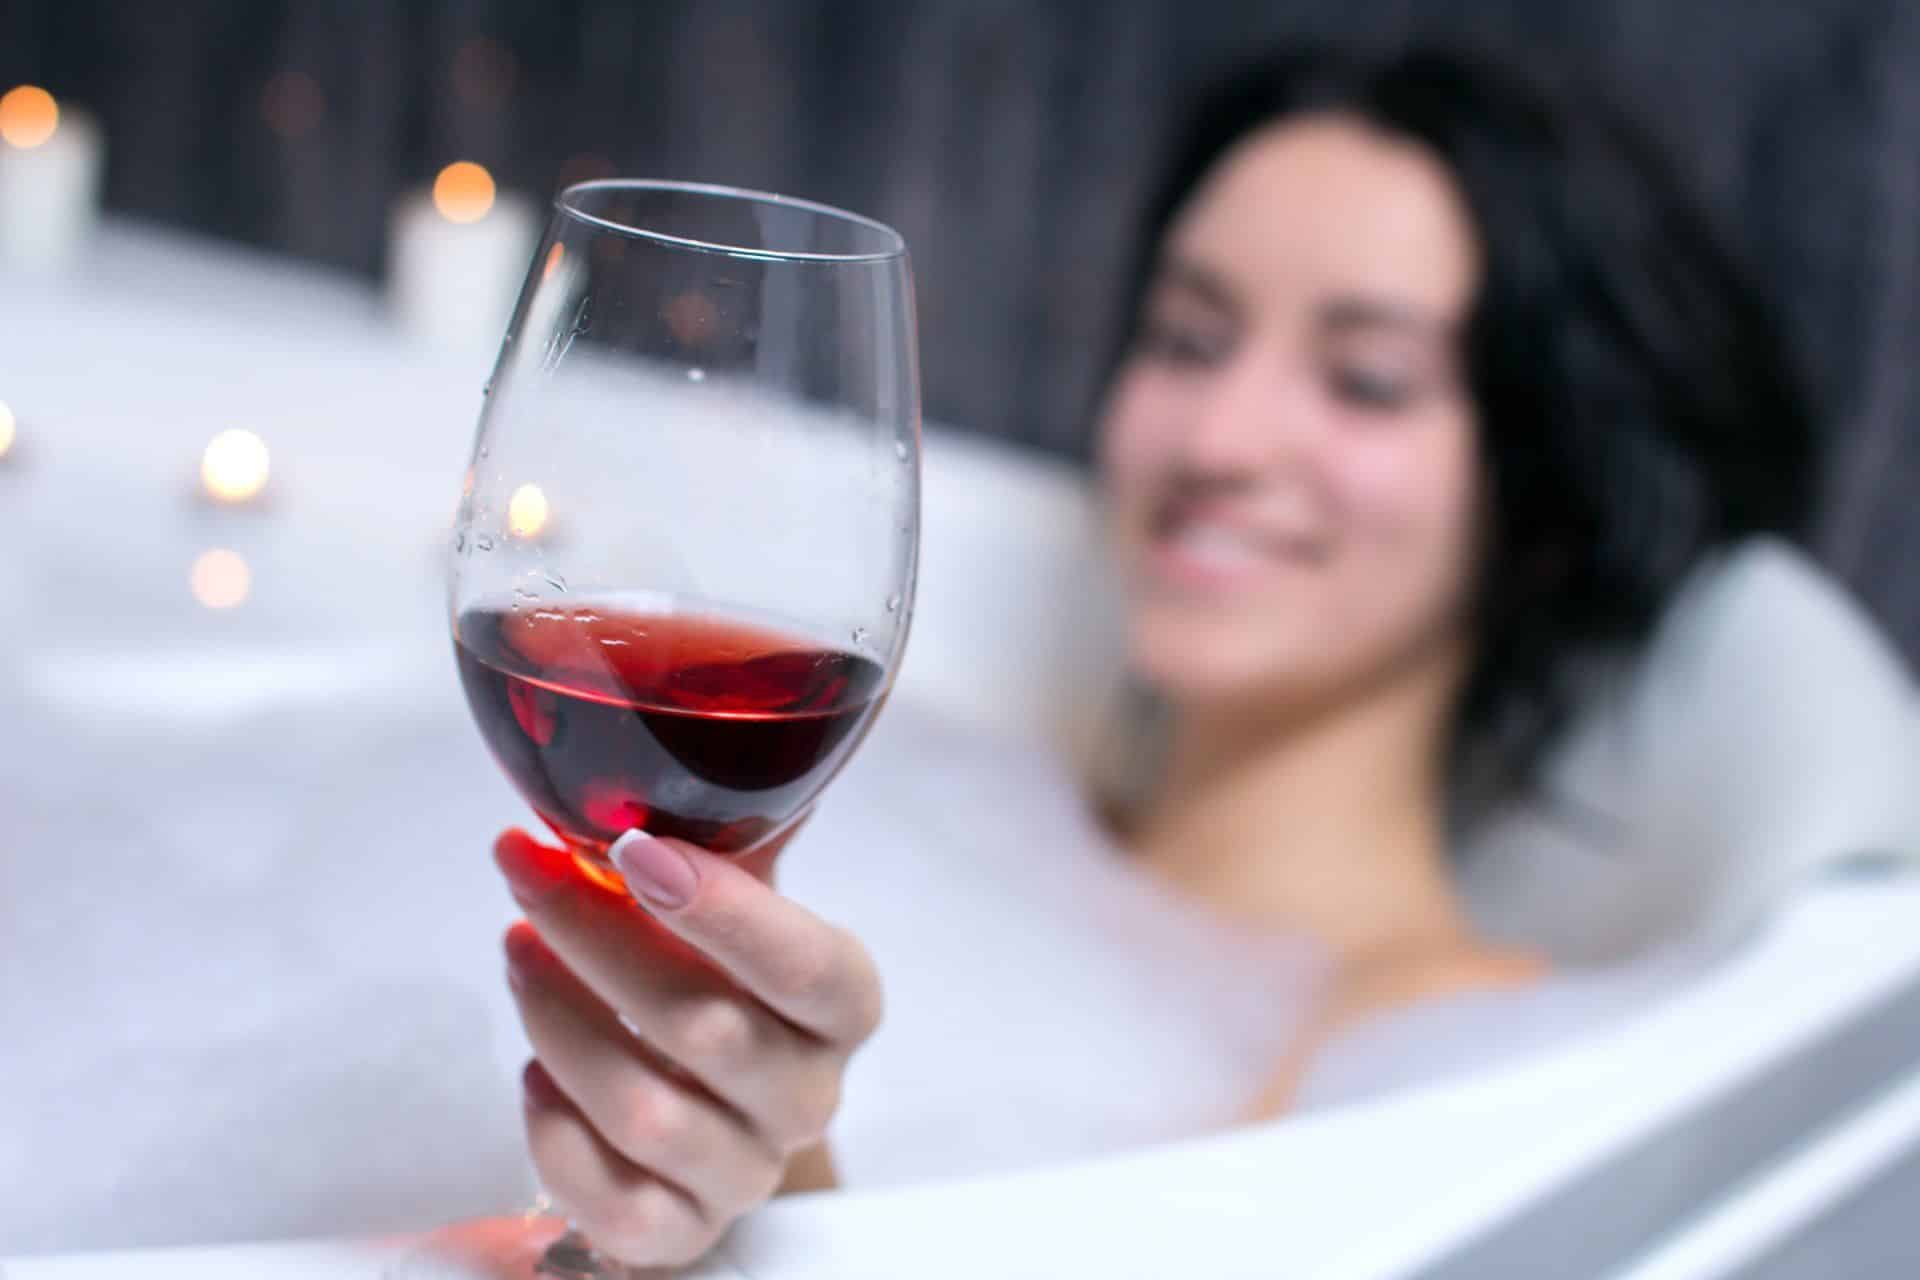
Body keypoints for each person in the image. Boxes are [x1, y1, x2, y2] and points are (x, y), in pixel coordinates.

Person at [491, 42, 1813, 1267]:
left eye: (1366, 379)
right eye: (1187, 340)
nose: (1220, 441)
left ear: (1545, 499)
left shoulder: (1487, 1067)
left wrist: (765, 1184)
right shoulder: (961, 830)